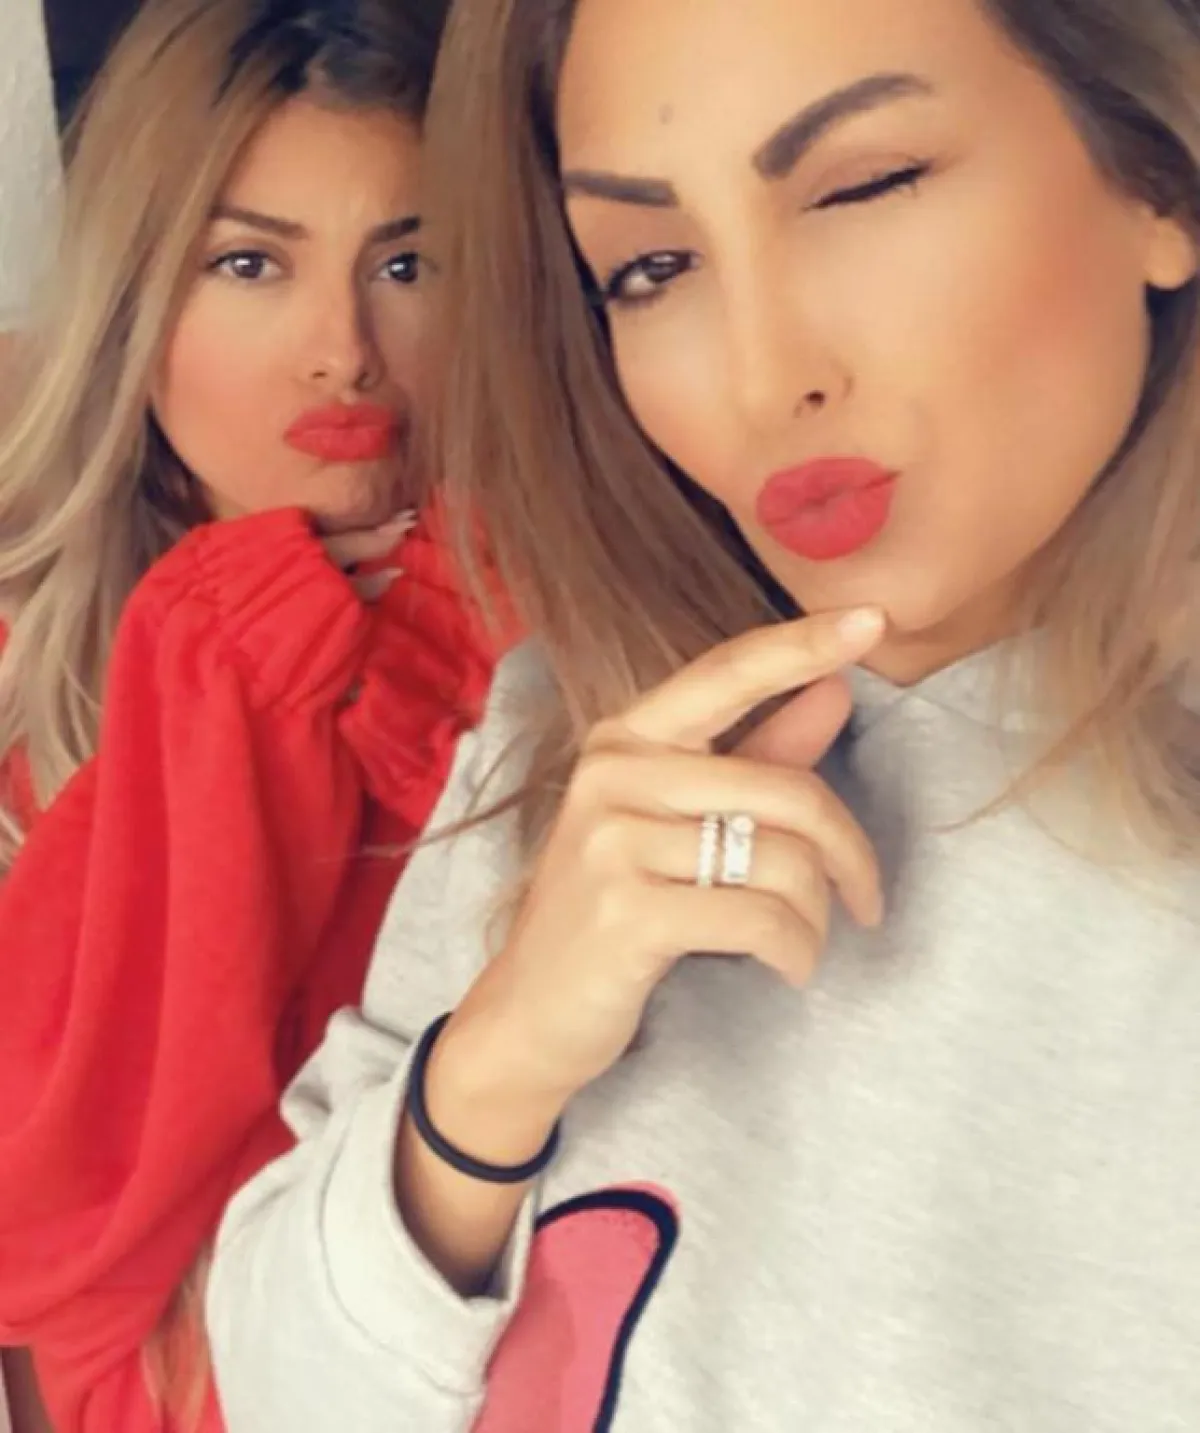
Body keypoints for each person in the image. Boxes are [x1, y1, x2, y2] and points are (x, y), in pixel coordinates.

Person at [206, 0, 1200, 1428]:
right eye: (651, 268)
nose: (760, 373)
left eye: (864, 187)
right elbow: (281, 1396)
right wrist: (493, 1071)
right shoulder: (580, 727)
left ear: (1158, 180)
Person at [0, 1, 499, 1431]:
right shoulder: (30, 670)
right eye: (248, 263)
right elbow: (35, 1237)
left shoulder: (577, 641)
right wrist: (217, 675)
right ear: (138, 301)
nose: (344, 352)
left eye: (408, 262)